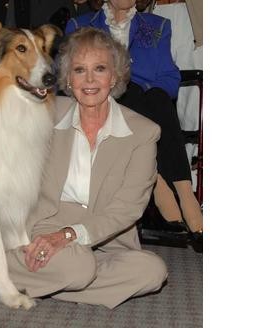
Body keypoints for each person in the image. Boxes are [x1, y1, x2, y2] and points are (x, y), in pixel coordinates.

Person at [0, 27, 168, 308]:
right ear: (67, 78)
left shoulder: (143, 133)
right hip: (43, 225)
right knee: (78, 266)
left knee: (152, 272)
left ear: (115, 75)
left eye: (100, 69)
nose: (90, 80)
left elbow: (126, 210)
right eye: (79, 70)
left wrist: (69, 235)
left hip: (106, 237)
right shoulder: (45, 112)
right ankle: (22, 271)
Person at [65, 0, 203, 248]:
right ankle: (164, 186)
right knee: (131, 91)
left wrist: (144, 87)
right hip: (100, 103)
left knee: (155, 97)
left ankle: (182, 193)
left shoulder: (158, 25)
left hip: (148, 105)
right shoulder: (80, 25)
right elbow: (68, 75)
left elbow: (170, 78)